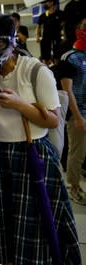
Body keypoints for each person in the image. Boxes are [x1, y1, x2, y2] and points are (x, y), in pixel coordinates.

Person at [0, 14, 83, 265]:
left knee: (39, 231)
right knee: (7, 233)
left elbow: (51, 120)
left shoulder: (35, 70)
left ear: (12, 42)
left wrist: (18, 103)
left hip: (34, 155)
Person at [61, 16, 86, 205]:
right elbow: (67, 90)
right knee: (77, 153)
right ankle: (73, 187)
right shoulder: (70, 57)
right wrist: (77, 117)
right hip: (78, 114)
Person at [35, 0, 64, 65]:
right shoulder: (43, 15)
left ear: (52, 2)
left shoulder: (60, 14)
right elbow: (38, 26)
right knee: (45, 58)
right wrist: (37, 36)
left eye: (47, 2)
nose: (45, 3)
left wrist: (64, 35)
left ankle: (57, 72)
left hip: (56, 39)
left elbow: (64, 24)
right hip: (46, 39)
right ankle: (46, 72)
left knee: (57, 58)